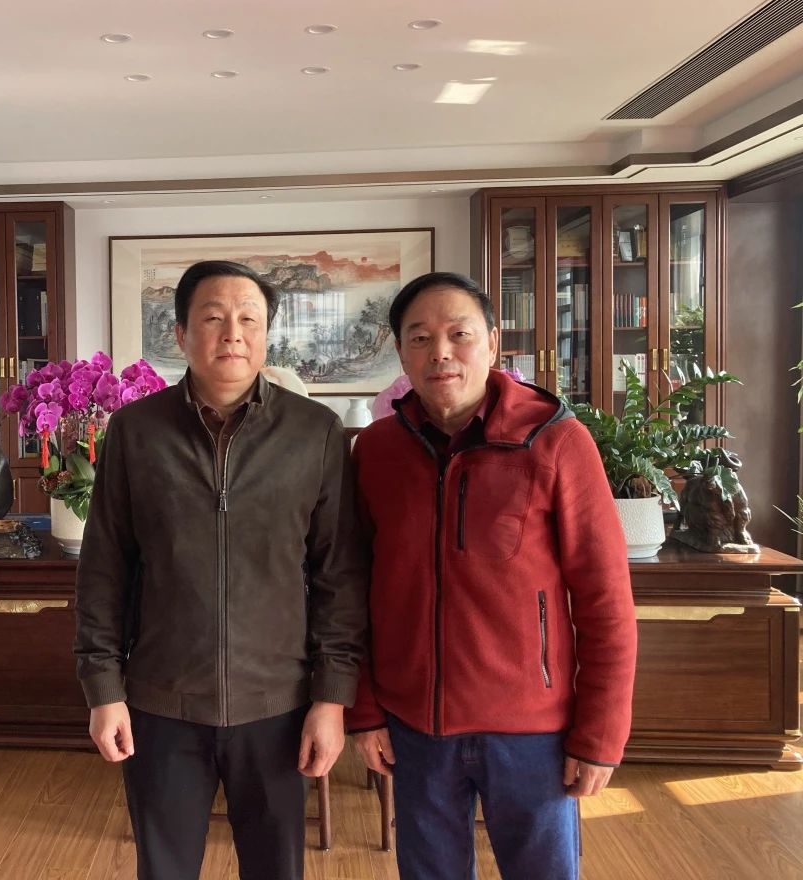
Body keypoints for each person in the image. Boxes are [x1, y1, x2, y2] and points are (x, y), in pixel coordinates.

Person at [74, 260, 369, 880]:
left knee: (276, 869)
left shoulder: (315, 432)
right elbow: (105, 568)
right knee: (164, 869)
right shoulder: (136, 432)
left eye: (248, 319)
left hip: (278, 705)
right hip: (161, 702)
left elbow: (338, 576)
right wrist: (104, 690)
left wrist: (331, 698)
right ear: (181, 333)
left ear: (266, 334)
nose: (232, 333)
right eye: (213, 318)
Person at [347, 271, 637, 880]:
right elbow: (355, 588)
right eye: (420, 338)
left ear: (494, 342)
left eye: (459, 334)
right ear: (401, 351)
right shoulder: (376, 450)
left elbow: (605, 599)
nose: (440, 352)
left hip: (531, 731)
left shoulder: (556, 441)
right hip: (414, 727)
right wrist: (365, 709)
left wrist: (601, 734)